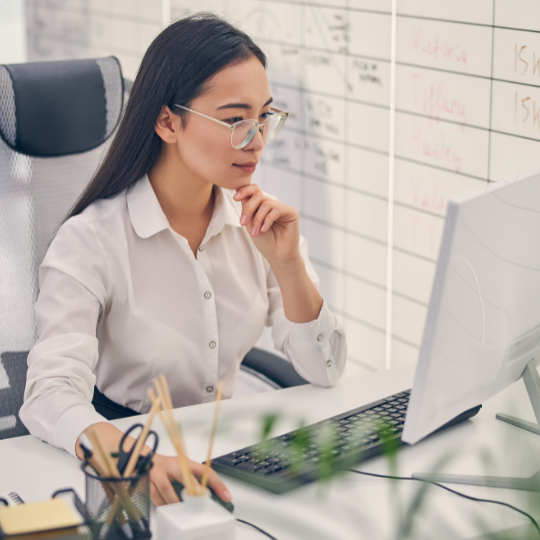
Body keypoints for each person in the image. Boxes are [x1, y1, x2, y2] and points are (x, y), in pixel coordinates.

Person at [20, 13, 347, 506]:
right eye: (235, 119)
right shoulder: (91, 240)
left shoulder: (259, 227)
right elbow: (47, 394)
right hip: (128, 470)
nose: (256, 139)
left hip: (228, 458)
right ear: (168, 122)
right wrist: (135, 460)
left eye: (264, 117)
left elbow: (325, 369)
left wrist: (288, 265)